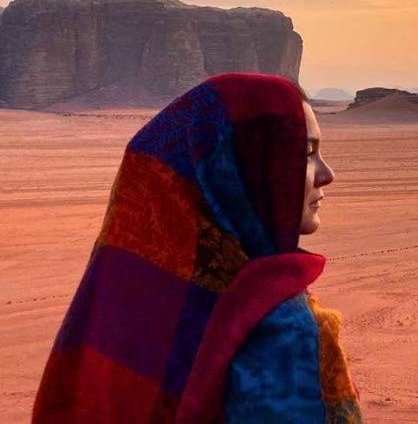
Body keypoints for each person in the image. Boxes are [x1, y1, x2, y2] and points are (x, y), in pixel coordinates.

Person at [32, 72, 363, 423]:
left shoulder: (112, 310)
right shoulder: (282, 331)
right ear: (239, 170)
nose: (327, 174)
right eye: (306, 152)